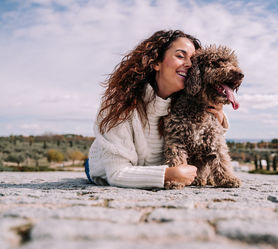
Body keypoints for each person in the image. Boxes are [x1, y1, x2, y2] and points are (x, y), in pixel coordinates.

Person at [86, 30, 229, 188]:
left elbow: (204, 143)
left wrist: (220, 120)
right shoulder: (121, 102)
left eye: (193, 60)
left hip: (148, 170)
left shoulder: (189, 103)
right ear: (156, 63)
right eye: (180, 56)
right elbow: (116, 173)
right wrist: (168, 175)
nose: (189, 64)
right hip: (106, 168)